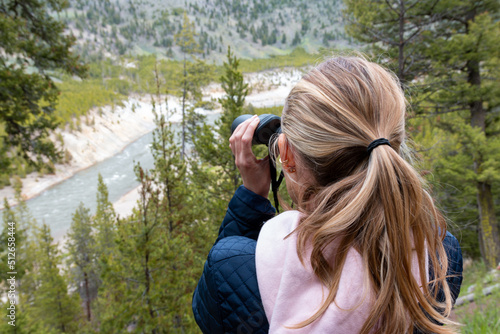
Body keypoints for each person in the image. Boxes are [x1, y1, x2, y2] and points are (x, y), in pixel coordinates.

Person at [192, 56, 463, 333]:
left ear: (286, 155)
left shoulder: (231, 264)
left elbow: (213, 305)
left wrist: (251, 197)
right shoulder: (438, 254)